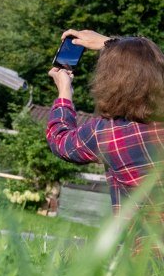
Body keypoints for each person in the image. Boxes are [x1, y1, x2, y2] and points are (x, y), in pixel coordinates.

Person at [46, 29, 164, 216]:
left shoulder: (108, 133)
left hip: (142, 235)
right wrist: (110, 43)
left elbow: (60, 141)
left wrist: (64, 92)